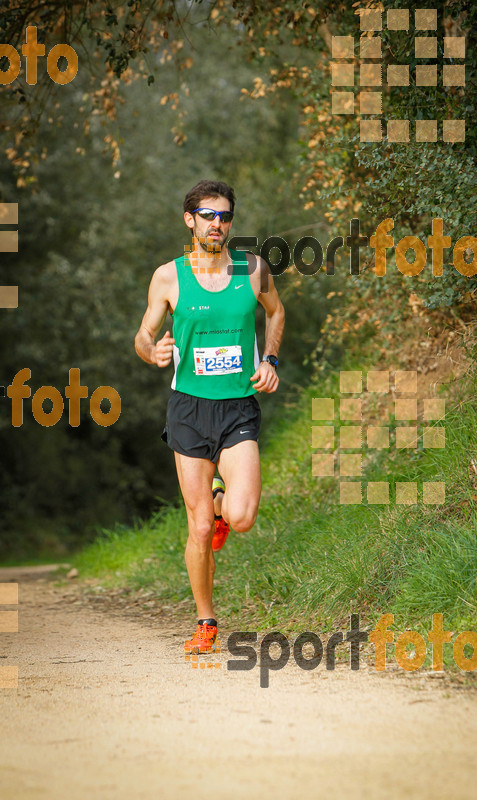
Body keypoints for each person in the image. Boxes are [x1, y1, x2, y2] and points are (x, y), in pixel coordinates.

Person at [134, 180, 285, 654]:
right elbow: (143, 335)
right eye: (207, 215)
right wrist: (152, 351)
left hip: (238, 406)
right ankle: (206, 622)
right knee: (198, 527)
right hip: (189, 408)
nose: (216, 223)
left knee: (239, 518)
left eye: (224, 216)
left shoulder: (254, 269)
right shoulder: (169, 277)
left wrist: (270, 361)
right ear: (190, 220)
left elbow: (276, 314)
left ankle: (223, 500)